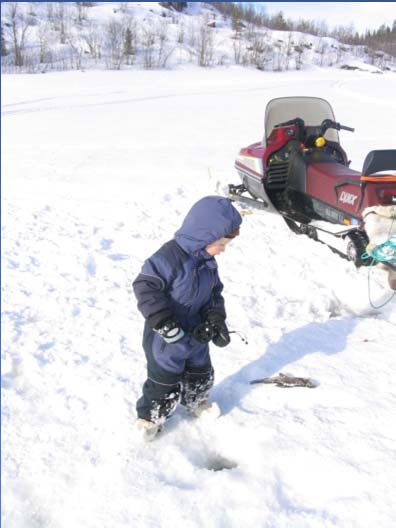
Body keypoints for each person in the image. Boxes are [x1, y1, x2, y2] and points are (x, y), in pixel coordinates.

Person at [133, 196, 242, 440]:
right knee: (164, 379)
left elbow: (214, 291)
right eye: (221, 243)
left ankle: (196, 400)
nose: (223, 249)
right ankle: (150, 418)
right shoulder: (168, 258)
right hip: (166, 337)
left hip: (196, 332)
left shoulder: (207, 262)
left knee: (201, 372)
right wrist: (163, 322)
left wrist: (216, 318)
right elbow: (145, 286)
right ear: (205, 235)